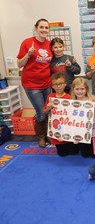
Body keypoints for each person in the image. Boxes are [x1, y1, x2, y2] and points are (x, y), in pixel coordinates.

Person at [17, 18, 53, 147]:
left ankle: (49, 135)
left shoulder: (50, 44)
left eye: (46, 27)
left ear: (49, 30)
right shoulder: (27, 43)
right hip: (32, 85)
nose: (44, 30)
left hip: (47, 84)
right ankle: (41, 137)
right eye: (41, 27)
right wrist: (28, 54)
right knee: (41, 113)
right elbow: (19, 64)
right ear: (36, 28)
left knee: (48, 111)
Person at [43, 73, 74, 155]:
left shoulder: (69, 97)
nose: (58, 86)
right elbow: (45, 112)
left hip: (68, 130)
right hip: (57, 131)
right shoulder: (50, 97)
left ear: (65, 84)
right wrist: (48, 108)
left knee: (73, 152)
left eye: (60, 84)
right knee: (62, 154)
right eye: (55, 84)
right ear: (52, 86)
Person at [70, 78, 95, 158]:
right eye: (77, 89)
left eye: (82, 89)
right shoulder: (71, 102)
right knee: (85, 155)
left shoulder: (91, 99)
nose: (80, 91)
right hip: (80, 132)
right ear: (73, 90)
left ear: (86, 89)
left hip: (93, 130)